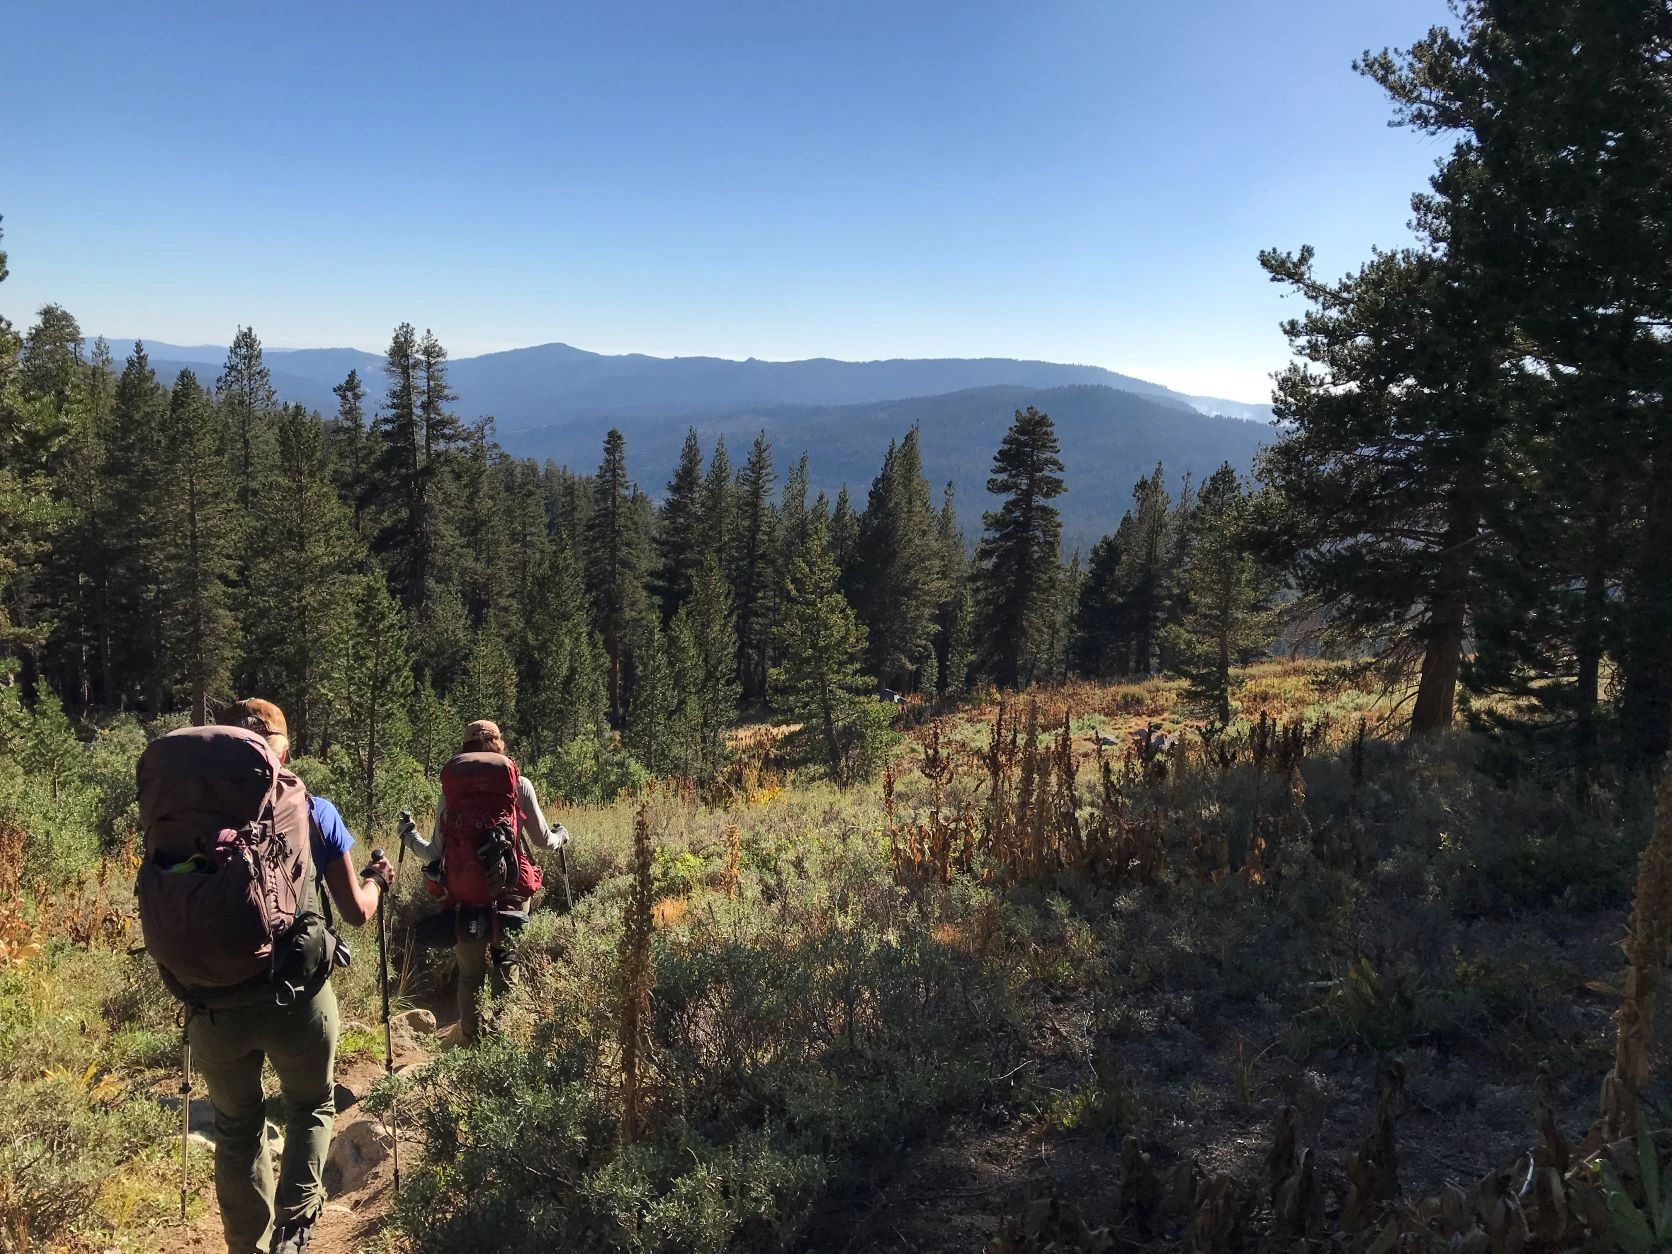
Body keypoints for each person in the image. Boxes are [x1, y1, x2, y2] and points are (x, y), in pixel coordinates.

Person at [193, 699, 392, 1254]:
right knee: (310, 1105)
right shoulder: (314, 809)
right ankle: (295, 1229)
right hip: (296, 993)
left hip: (212, 1002)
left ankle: (243, 1245)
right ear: (284, 748)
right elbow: (355, 911)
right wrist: (378, 879)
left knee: (236, 1126)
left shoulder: (190, 815)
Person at [399, 718, 569, 1043]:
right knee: (507, 964)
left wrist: (409, 836)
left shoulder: (450, 793)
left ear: (464, 751)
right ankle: (502, 1042)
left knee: (471, 974)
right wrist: (562, 836)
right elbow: (544, 840)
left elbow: (434, 852)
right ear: (500, 746)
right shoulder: (519, 785)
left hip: (465, 895)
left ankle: (471, 1041)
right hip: (511, 892)